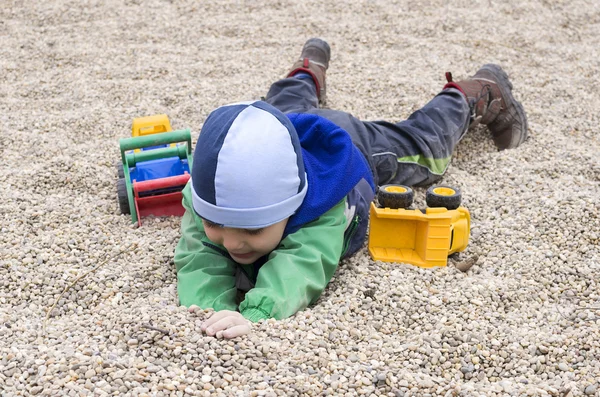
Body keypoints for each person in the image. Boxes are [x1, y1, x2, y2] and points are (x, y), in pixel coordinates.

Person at [174, 38, 528, 339]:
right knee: (283, 106)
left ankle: (474, 92)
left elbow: (302, 265)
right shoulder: (206, 193)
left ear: (292, 206)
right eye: (217, 223)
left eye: (252, 227)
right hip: (285, 124)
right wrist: (210, 310)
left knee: (427, 150)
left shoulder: (323, 204)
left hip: (351, 146)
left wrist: (254, 314)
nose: (232, 242)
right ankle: (306, 71)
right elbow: (198, 256)